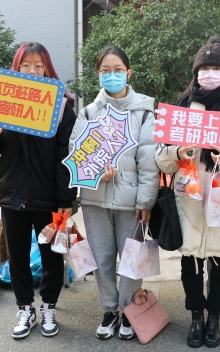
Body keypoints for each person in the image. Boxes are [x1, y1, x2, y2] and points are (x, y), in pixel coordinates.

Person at [155, 36, 220, 348]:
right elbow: (161, 158)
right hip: (190, 201)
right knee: (190, 263)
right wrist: (177, 152)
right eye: (204, 68)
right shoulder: (181, 109)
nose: (210, 74)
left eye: (216, 68)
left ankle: (214, 317)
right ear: (196, 73)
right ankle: (196, 317)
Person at [0, 41, 77, 339]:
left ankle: (49, 307)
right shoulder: (0, 100)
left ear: (47, 69)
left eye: (38, 66)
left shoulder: (62, 106)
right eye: (26, 65)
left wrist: (66, 198)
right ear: (16, 67)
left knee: (52, 255)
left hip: (49, 196)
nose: (32, 71)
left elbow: (66, 156)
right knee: (18, 256)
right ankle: (25, 308)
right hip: (12, 193)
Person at [70, 46, 158, 341]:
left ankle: (130, 309)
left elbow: (149, 162)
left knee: (132, 259)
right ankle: (109, 310)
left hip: (131, 203)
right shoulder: (88, 112)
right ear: (98, 75)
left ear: (128, 73)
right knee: (102, 258)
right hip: (94, 201)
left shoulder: (144, 112)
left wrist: (146, 200)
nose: (112, 75)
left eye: (118, 70)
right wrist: (96, 173)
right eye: (105, 71)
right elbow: (76, 154)